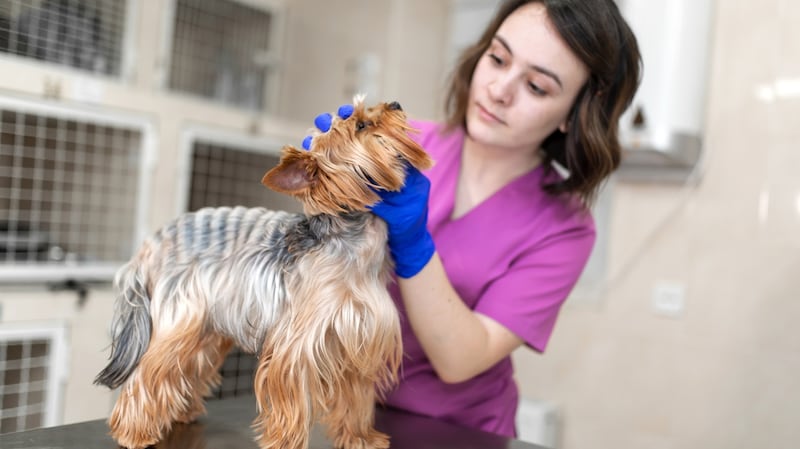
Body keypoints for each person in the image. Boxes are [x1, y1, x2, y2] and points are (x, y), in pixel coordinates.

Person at [308, 0, 641, 438]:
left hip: (460, 432)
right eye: (498, 59)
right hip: (349, 413)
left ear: (574, 113)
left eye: (536, 86)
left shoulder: (566, 228)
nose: (500, 89)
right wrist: (325, 178)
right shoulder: (405, 146)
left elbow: (461, 360)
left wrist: (412, 242)